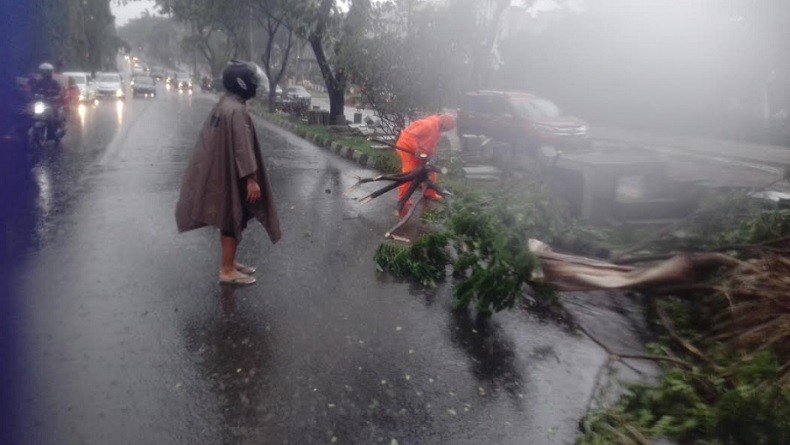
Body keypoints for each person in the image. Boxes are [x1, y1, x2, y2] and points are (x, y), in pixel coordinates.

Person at [175, 60, 281, 286]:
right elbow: (242, 148)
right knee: (232, 218)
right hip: (232, 175)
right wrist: (251, 179)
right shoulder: (236, 111)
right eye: (252, 82)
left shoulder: (225, 104)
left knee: (231, 218)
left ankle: (230, 262)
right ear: (242, 83)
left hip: (222, 172)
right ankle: (226, 270)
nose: (255, 86)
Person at [395, 113, 455, 203]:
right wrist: (416, 148)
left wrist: (430, 154)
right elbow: (409, 135)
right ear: (443, 124)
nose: (446, 131)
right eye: (446, 129)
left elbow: (431, 143)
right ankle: (403, 198)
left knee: (430, 170)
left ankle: (429, 193)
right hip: (407, 147)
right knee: (410, 172)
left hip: (419, 151)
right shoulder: (428, 125)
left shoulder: (437, 129)